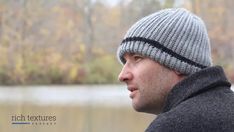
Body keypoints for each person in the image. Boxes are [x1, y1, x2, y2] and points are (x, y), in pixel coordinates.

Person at [117, 8, 234, 132]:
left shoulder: (171, 126)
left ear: (178, 64)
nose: (122, 75)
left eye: (137, 58)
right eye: (125, 62)